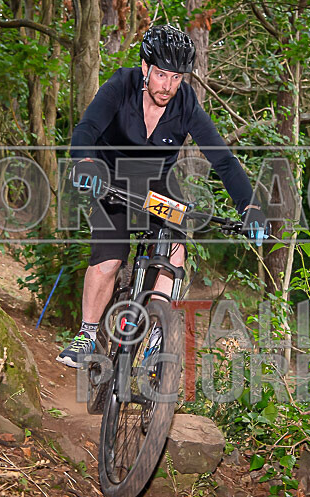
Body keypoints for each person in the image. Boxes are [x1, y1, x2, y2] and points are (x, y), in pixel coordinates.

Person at [57, 24, 267, 368]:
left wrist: (251, 206)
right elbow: (87, 129)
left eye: (176, 78)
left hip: (158, 183)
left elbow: (223, 160)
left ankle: (158, 335)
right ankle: (88, 334)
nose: (168, 86)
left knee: (174, 251)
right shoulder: (120, 85)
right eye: (162, 75)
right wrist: (85, 161)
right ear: (145, 68)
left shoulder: (185, 103)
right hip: (112, 179)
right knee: (109, 260)